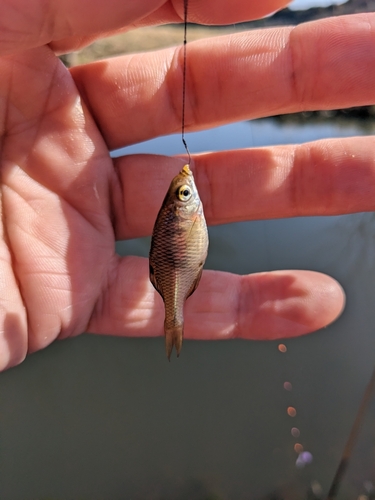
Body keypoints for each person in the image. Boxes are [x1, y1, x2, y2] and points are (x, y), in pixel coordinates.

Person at [4, 0, 375, 372]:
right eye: (184, 193)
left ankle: (173, 317)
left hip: (171, 270)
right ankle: (173, 319)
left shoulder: (184, 216)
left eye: (183, 193)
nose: (188, 190)